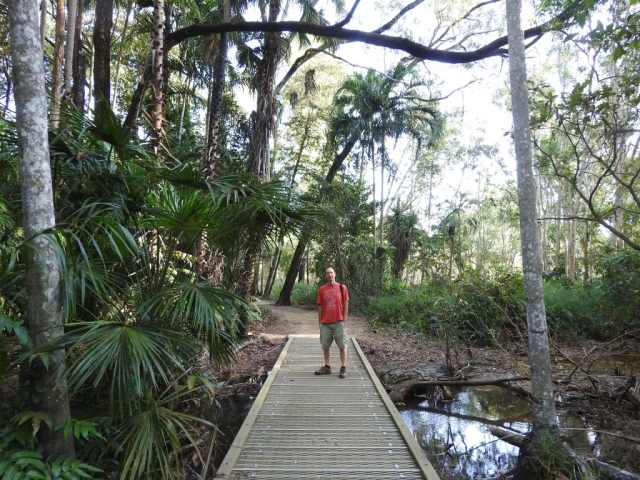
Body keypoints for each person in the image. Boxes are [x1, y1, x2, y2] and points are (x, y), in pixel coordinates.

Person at [315, 267, 349, 378]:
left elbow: (346, 303)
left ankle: (343, 368)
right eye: (327, 273)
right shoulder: (322, 289)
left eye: (331, 273)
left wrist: (345, 318)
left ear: (335, 274)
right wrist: (319, 321)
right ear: (325, 276)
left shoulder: (342, 287)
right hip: (325, 322)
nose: (330, 275)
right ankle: (327, 367)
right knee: (325, 345)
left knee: (342, 345)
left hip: (338, 321)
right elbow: (320, 306)